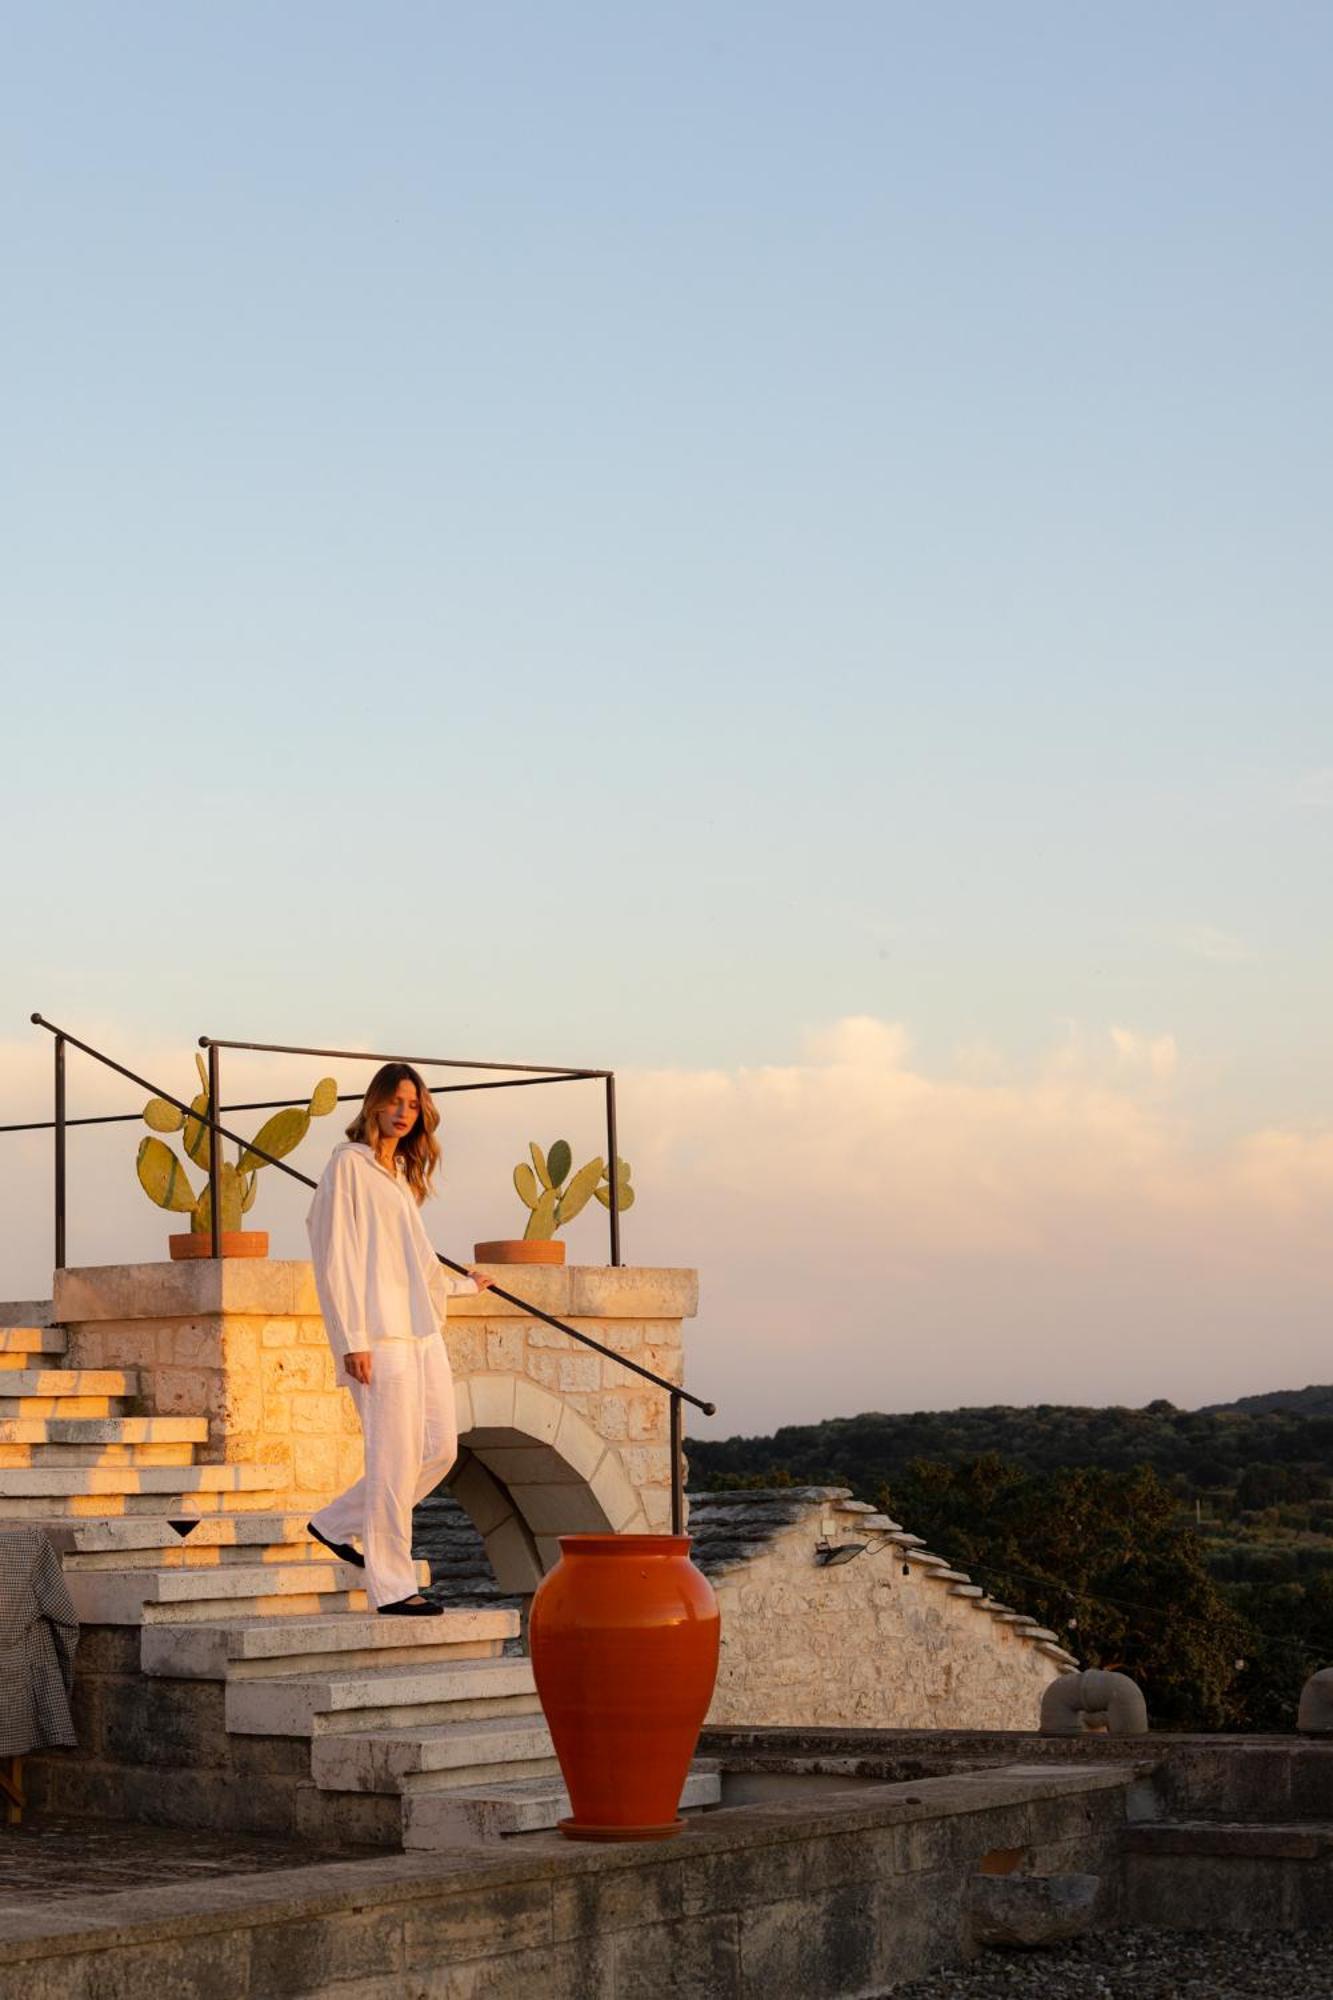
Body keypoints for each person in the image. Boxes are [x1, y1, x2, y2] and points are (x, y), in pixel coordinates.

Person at [304, 1062, 493, 1616]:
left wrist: (463, 1287)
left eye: (413, 1105)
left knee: (440, 1448)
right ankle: (392, 1585)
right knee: (393, 1459)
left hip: (420, 1332)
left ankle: (335, 1522)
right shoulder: (349, 1168)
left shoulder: (400, 1177)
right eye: (396, 1101)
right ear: (374, 1104)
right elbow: (335, 1256)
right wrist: (351, 1339)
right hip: (379, 1335)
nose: (404, 1112)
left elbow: (412, 1265)